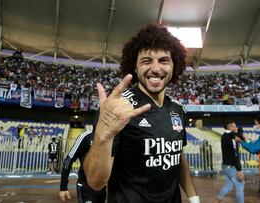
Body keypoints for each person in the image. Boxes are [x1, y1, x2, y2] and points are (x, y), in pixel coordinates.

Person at [83, 24, 200, 203]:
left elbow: (178, 157)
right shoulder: (118, 109)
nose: (155, 68)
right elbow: (95, 182)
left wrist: (194, 198)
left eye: (163, 60)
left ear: (174, 65)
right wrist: (103, 138)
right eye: (146, 61)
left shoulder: (178, 109)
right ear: (135, 68)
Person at [59, 129, 106, 203]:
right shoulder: (86, 137)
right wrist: (63, 187)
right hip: (86, 186)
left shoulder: (110, 136)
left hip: (103, 187)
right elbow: (68, 160)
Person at [213, 120, 244, 203]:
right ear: (230, 127)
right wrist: (239, 170)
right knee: (240, 186)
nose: (236, 127)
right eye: (234, 126)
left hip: (226, 165)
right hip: (231, 166)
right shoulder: (229, 137)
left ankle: (217, 200)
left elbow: (238, 136)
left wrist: (240, 133)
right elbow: (234, 154)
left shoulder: (227, 135)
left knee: (228, 185)